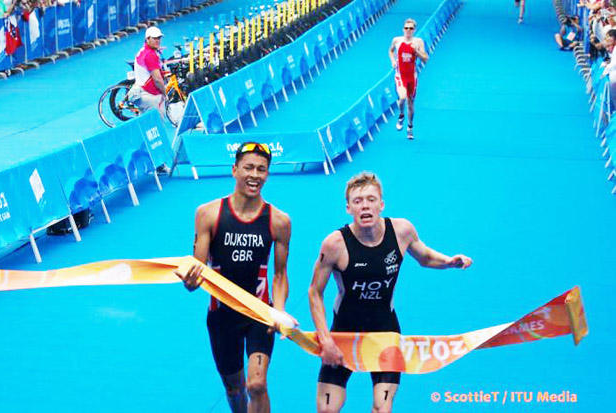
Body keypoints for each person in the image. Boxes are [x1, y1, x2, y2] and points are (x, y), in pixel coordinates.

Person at [308, 172, 472, 413]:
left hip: (385, 330)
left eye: (371, 199)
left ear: (381, 205)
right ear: (348, 208)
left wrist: (449, 261)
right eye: (357, 201)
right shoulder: (334, 244)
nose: (365, 206)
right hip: (344, 332)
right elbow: (314, 292)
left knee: (382, 408)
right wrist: (326, 340)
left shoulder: (402, 231)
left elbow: (425, 257)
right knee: (326, 410)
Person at [175, 142, 292, 413]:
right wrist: (189, 281)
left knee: (257, 385)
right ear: (234, 170)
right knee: (234, 390)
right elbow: (197, 270)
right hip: (221, 317)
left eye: (261, 169)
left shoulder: (279, 221)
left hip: (259, 314)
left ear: (268, 174)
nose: (255, 175)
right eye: (248, 168)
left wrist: (279, 310)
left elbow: (279, 274)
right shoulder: (208, 214)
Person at [389, 19, 428, 140]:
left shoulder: (418, 42)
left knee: (410, 103)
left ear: (414, 30)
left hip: (412, 77)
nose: (408, 30)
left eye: (411, 28)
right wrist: (393, 61)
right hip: (400, 75)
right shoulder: (397, 40)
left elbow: (425, 58)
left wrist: (416, 51)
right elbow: (390, 50)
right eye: (406, 28)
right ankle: (401, 115)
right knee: (402, 98)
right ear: (403, 29)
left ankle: (410, 127)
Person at [129, 26, 167, 118]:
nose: (157, 40)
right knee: (159, 119)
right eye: (154, 38)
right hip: (147, 94)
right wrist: (165, 93)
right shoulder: (150, 55)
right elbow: (157, 79)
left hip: (139, 92)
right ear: (147, 39)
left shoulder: (145, 50)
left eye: (159, 38)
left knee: (147, 120)